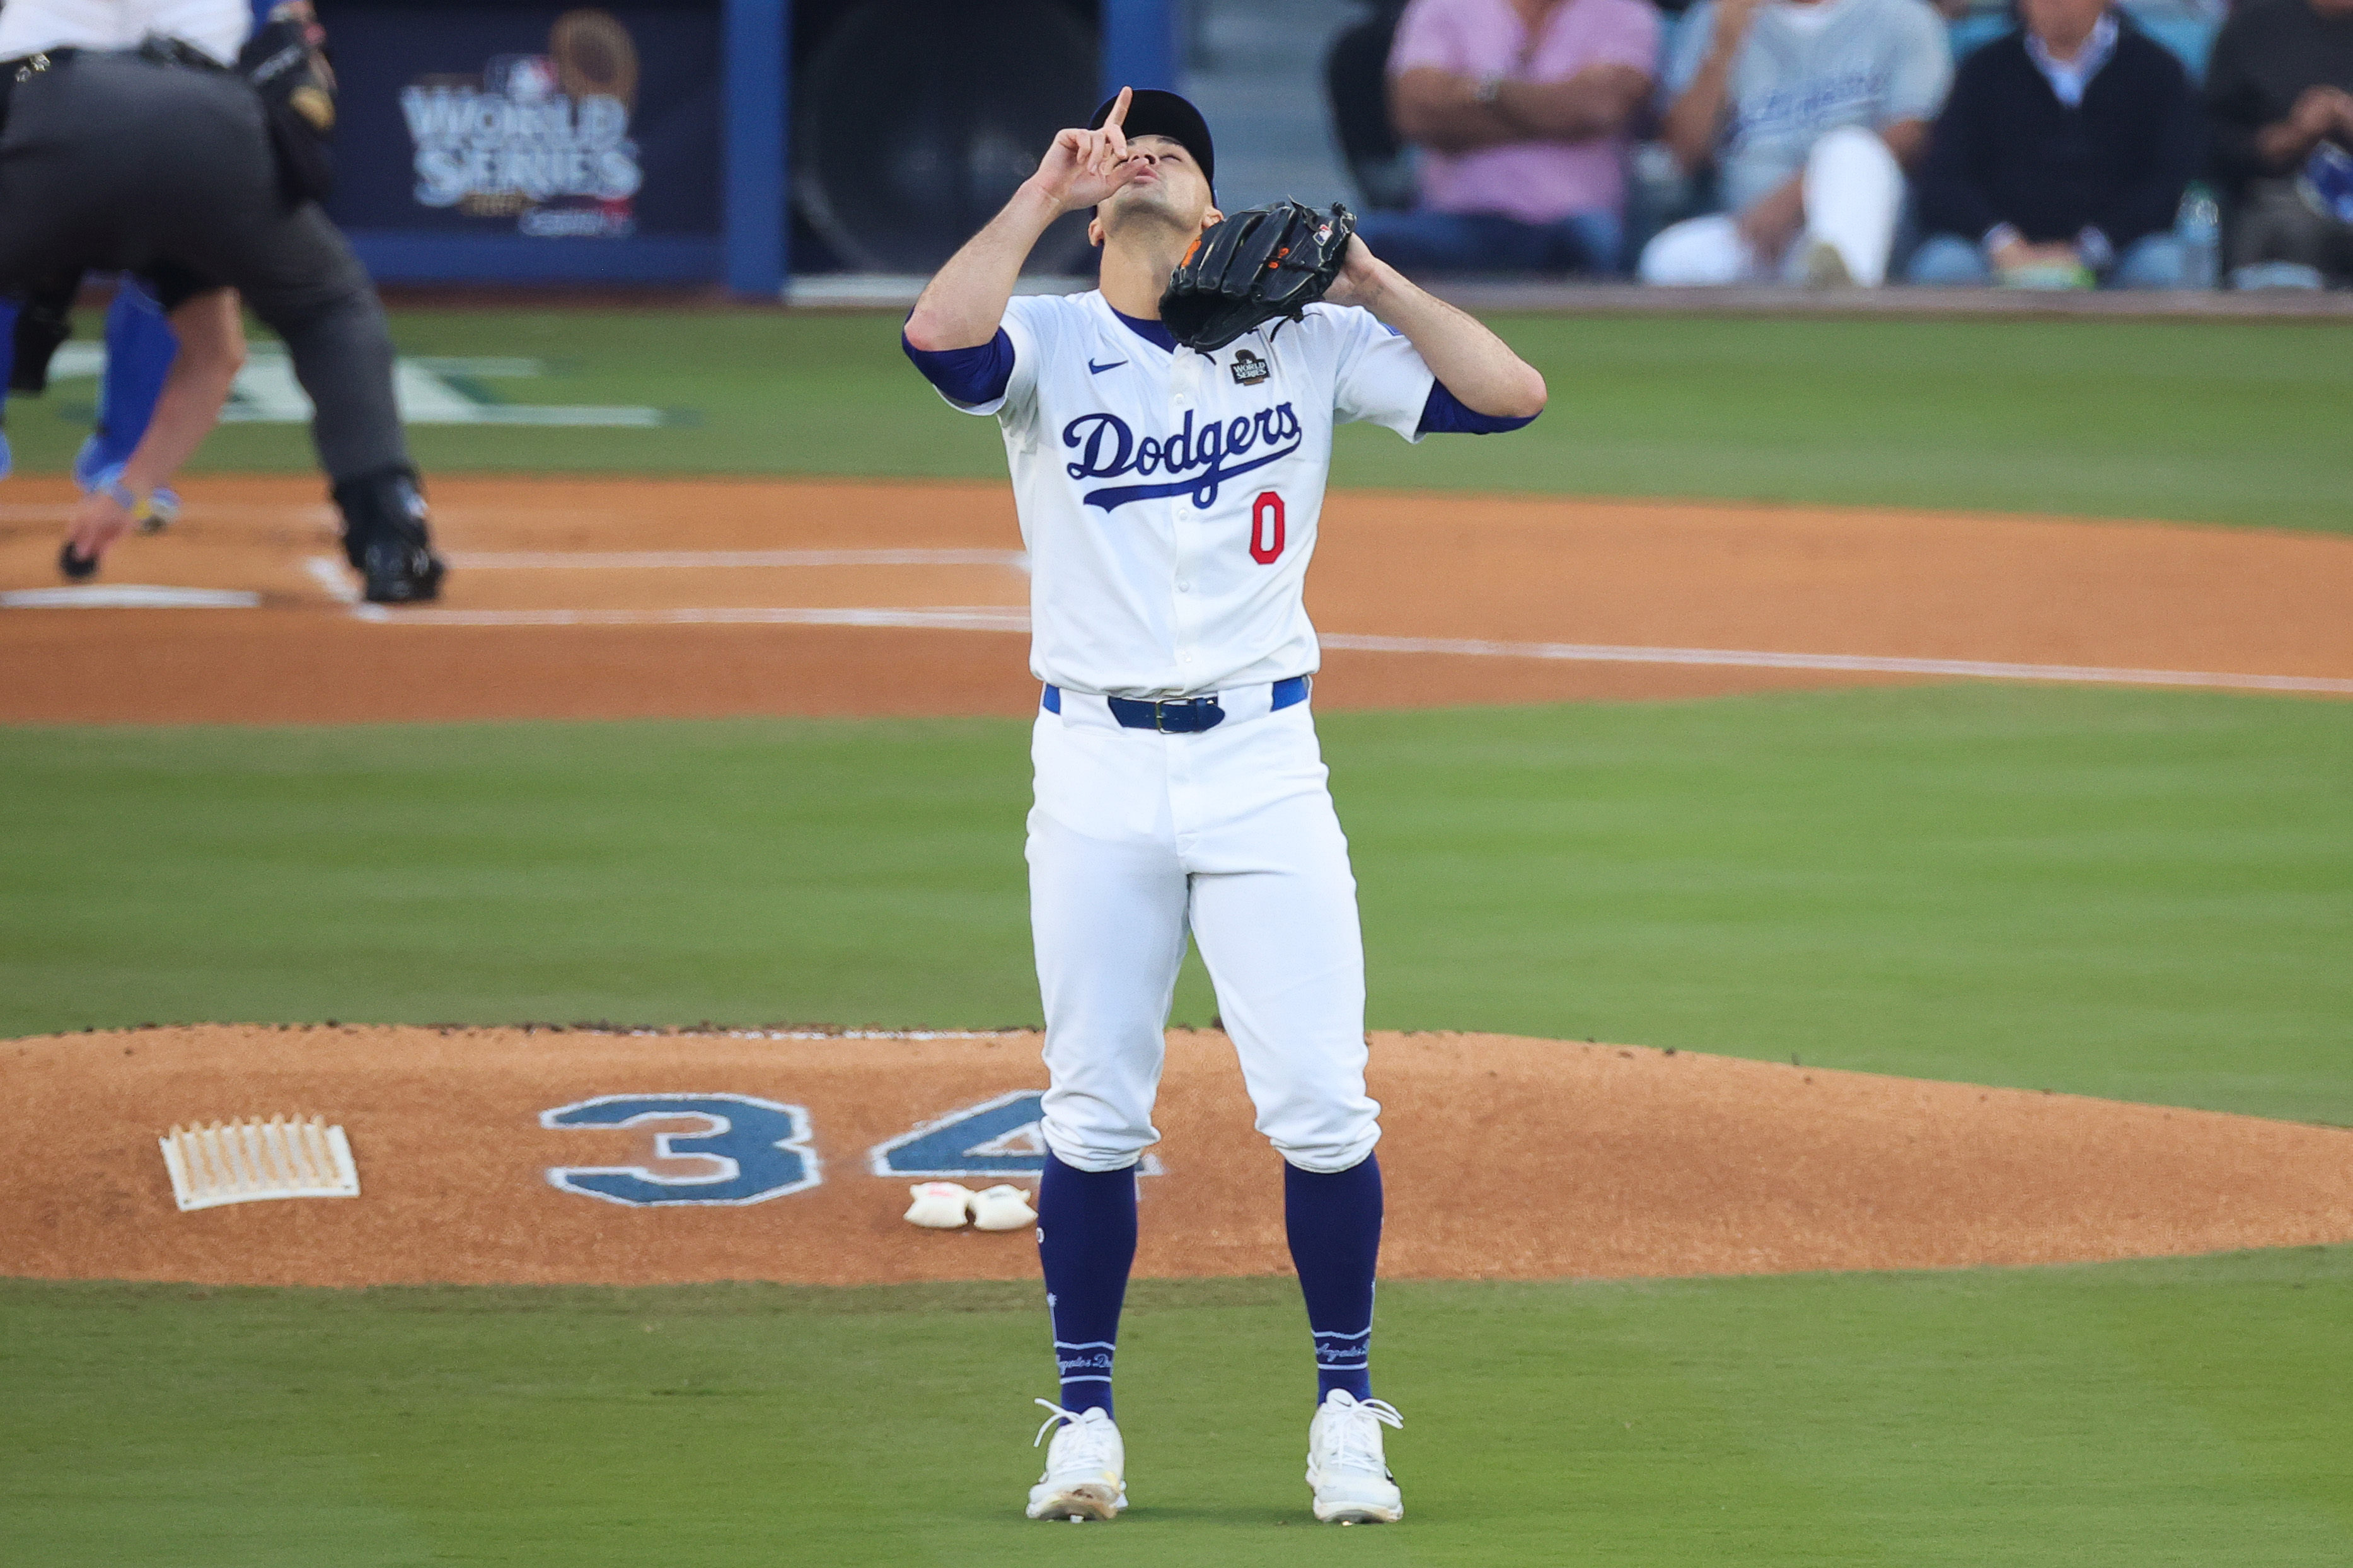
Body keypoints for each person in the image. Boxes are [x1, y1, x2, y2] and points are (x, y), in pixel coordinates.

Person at [900, 86, 1546, 1525]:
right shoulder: (1050, 344)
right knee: (1091, 1110)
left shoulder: (1307, 341)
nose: (1140, 164)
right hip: (1094, 770)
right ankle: (1082, 1422)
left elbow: (1512, 394)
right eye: (1117, 147)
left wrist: (1366, 272)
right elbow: (937, 337)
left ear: (1215, 208)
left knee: (1321, 1103)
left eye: (1170, 153)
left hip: (1265, 767)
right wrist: (1037, 195)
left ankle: (1342, 1415)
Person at [0, 0, 445, 599]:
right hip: (206, 123)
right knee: (329, 308)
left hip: (41, 103)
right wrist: (125, 493)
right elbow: (215, 359)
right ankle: (392, 538)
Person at [1639, 0, 1953, 286]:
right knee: (1668, 259)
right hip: (1754, 231)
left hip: (1863, 222)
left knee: (1852, 149)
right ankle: (1823, 291)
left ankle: (1845, 304)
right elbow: (1682, 154)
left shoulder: (1903, 16)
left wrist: (1794, 199)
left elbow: (1910, 135)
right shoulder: (1716, 18)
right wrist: (1723, 47)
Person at [1909, 0, 2200, 287]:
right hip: (1998, 253)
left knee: (2161, 268)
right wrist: (2002, 242)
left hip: (2117, 251)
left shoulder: (2157, 71)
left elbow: (2167, 181)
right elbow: (1943, 176)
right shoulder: (1982, 70)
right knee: (1943, 267)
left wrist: (2091, 248)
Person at [1360, 0, 1662, 274]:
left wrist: (1487, 90)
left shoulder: (1625, 12)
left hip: (1573, 227)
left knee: (1597, 241)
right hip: (1454, 223)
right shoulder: (1442, 6)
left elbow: (1598, 109)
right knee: (1363, 242)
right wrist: (1557, 109)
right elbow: (1416, 115)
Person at [2203, 0, 2353, 287]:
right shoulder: (2254, 29)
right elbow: (2212, 144)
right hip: (2277, 206)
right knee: (2287, 255)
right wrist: (2289, 137)